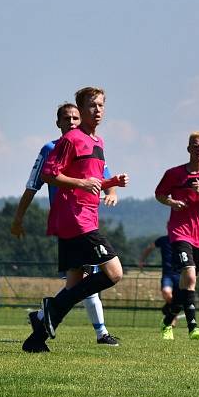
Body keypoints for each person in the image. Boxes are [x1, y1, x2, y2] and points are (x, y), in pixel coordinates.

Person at [22, 86, 129, 353]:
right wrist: (81, 183)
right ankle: (51, 309)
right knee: (114, 273)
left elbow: (92, 181)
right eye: (93, 105)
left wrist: (112, 183)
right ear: (80, 110)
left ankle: (36, 338)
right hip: (76, 220)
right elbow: (49, 174)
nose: (99, 110)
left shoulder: (98, 143)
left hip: (86, 217)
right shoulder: (71, 139)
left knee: (74, 284)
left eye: (102, 105)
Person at [155, 131, 199, 340]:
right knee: (191, 274)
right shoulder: (174, 174)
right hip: (179, 233)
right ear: (188, 149)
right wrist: (172, 202)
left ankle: (168, 321)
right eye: (195, 146)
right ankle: (193, 326)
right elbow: (159, 194)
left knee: (186, 284)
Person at [138, 234, 182, 339]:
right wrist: (142, 260)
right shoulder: (162, 240)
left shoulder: (182, 240)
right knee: (166, 292)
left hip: (180, 274)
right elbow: (150, 247)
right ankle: (172, 315)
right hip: (167, 274)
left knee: (179, 299)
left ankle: (169, 312)